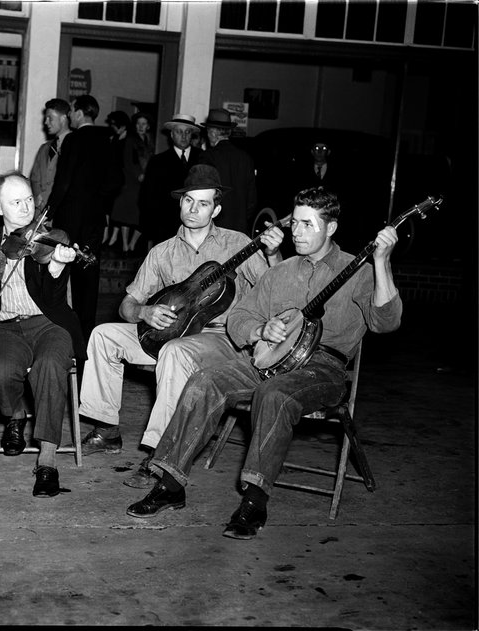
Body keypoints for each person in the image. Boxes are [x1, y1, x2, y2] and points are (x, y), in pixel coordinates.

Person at [126, 187, 402, 541]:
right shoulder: (280, 271)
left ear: (330, 228)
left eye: (307, 225)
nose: (296, 233)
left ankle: (254, 502)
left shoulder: (359, 271)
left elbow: (386, 322)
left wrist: (381, 262)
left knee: (274, 394)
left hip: (321, 368)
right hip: (266, 358)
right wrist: (260, 329)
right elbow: (239, 318)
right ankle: (170, 484)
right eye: (295, 223)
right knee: (204, 381)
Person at [78, 164, 284, 488]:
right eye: (188, 200)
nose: (193, 209)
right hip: (169, 333)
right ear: (180, 202)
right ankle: (106, 430)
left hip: (219, 339)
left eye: (203, 203)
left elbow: (277, 291)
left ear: (216, 208)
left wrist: (272, 254)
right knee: (103, 334)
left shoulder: (239, 244)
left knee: (174, 352)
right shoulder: (162, 252)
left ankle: (160, 453)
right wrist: (144, 312)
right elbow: (126, 304)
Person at [0, 171, 86, 498]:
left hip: (48, 324)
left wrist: (56, 268)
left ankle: (48, 462)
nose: (25, 207)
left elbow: (53, 300)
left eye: (28, 199)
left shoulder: (49, 239)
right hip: (4, 327)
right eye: (15, 202)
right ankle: (16, 414)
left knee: (50, 366)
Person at [47, 94, 122, 340]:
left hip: (70, 218)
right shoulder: (107, 139)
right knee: (89, 273)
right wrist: (100, 203)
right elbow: (115, 181)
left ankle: (61, 326)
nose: (69, 116)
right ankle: (85, 330)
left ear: (79, 113)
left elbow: (64, 180)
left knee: (61, 268)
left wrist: (51, 210)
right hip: (94, 218)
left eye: (71, 112)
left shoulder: (73, 139)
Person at [138, 113, 207, 249]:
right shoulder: (158, 161)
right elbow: (147, 197)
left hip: (197, 226)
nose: (183, 136)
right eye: (179, 132)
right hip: (165, 228)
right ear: (172, 135)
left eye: (187, 132)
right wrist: (151, 230)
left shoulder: (202, 158)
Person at [202, 108, 258, 235]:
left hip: (213, 229)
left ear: (214, 132)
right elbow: (252, 201)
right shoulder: (245, 158)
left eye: (208, 131)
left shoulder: (207, 157)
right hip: (240, 230)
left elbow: (203, 196)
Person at [108, 111, 154, 255]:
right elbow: (127, 161)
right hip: (131, 181)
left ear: (148, 126)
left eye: (144, 124)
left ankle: (132, 244)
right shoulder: (130, 139)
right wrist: (138, 174)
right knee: (126, 213)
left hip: (145, 181)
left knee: (141, 215)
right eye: (138, 124)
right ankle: (125, 245)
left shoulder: (150, 140)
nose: (141, 126)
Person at [29, 98, 72, 214]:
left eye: (50, 118)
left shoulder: (76, 146)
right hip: (40, 214)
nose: (46, 122)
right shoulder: (44, 148)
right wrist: (38, 196)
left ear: (63, 118)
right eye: (45, 118)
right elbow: (34, 178)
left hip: (62, 213)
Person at [103, 110, 130, 247]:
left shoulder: (128, 140)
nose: (112, 127)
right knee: (108, 208)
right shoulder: (114, 138)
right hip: (112, 179)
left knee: (118, 211)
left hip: (124, 181)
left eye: (114, 124)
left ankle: (114, 238)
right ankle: (108, 235)